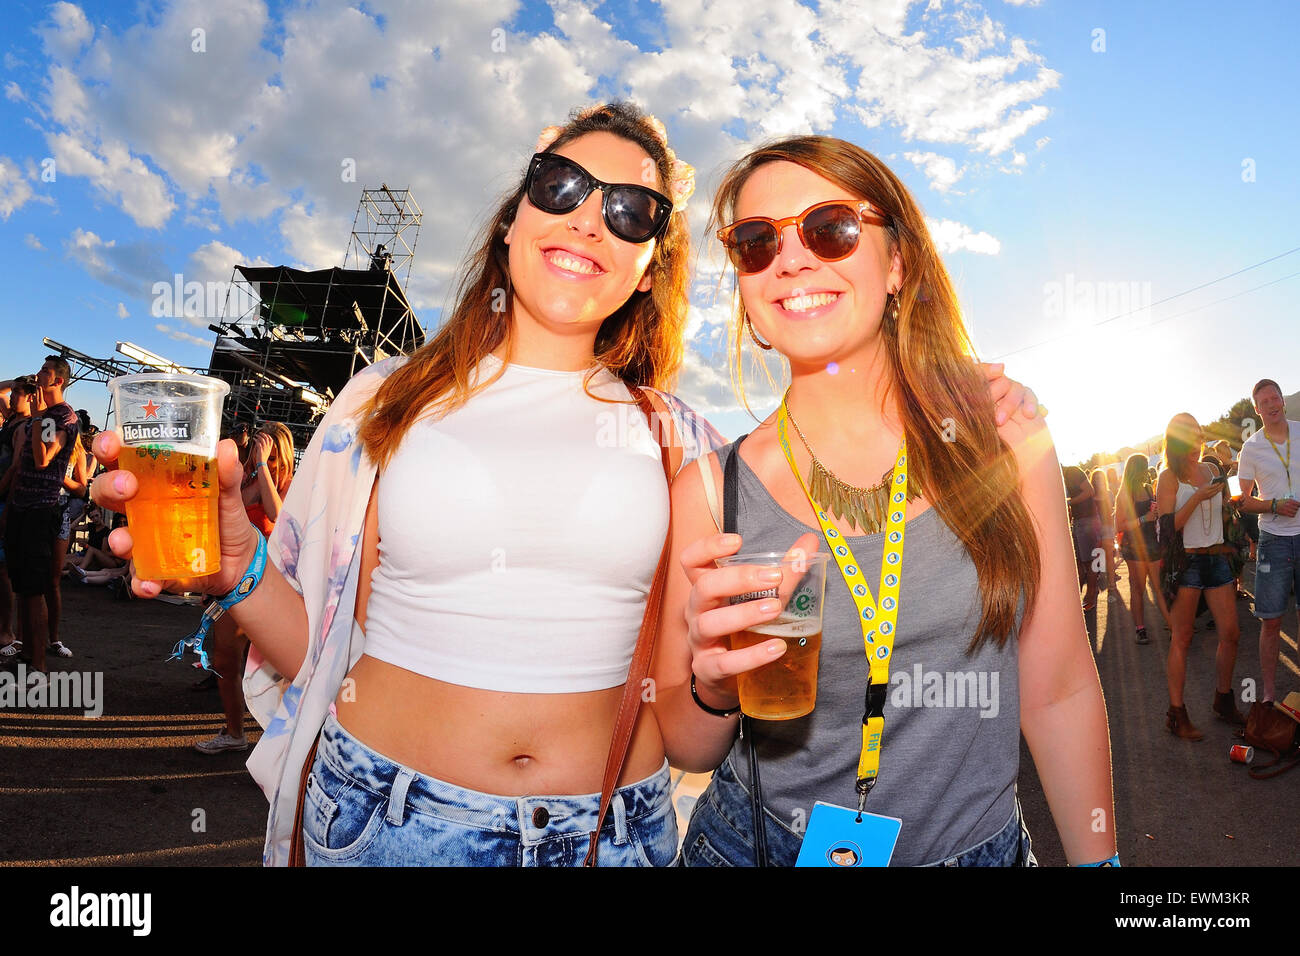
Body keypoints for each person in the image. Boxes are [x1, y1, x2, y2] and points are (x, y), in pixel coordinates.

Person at [92, 104, 1038, 866]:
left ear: (644, 267)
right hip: (383, 820)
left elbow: (691, 719)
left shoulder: (686, 447)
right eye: (563, 186)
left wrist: (970, 397)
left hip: (610, 838)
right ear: (513, 220)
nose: (591, 215)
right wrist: (239, 571)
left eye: (632, 212)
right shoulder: (384, 406)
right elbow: (321, 652)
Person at [655, 135, 1114, 867]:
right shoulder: (710, 491)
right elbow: (686, 744)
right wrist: (712, 685)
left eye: (830, 227)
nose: (793, 259)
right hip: (755, 847)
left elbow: (1056, 688)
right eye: (754, 242)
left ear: (897, 262)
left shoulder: (1002, 439)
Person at [195, 421, 296, 753]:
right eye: (256, 448)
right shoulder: (250, 479)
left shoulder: (291, 485)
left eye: (266, 450)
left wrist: (265, 466)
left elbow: (276, 513)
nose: (257, 454)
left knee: (284, 669)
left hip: (273, 584)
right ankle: (235, 731)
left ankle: (286, 738)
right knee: (225, 658)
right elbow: (227, 509)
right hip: (237, 580)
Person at [1156, 413, 1245, 740]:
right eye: (1187, 439)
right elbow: (1166, 530)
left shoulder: (1210, 469)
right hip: (1188, 563)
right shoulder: (1168, 477)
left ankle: (1223, 700)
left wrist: (1230, 506)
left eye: (1197, 436)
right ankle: (1176, 715)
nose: (1195, 444)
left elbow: (1224, 512)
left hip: (1216, 559)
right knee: (1182, 637)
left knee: (1232, 633)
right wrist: (1195, 498)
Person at [3, 356, 79, 673]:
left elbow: (43, 457)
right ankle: (27, 654)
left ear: (58, 381)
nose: (38, 374)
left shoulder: (63, 416)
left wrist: (36, 419)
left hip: (41, 510)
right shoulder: (45, 416)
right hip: (22, 507)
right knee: (22, 586)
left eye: (45, 371)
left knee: (35, 590)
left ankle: (39, 664)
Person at [1236, 378, 1300, 704]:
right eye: (1264, 402)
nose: (1272, 405)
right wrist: (1273, 505)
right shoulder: (1252, 448)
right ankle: (1269, 695)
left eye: (1275, 398)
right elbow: (1242, 501)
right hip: (1274, 540)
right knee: (1271, 620)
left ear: (1282, 401)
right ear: (1257, 410)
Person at [0, 375, 39, 658]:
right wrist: (17, 380)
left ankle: (7, 631)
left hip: (5, 499)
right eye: (12, 393)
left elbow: (15, 467)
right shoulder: (12, 419)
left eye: (16, 394)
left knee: (4, 571)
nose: (11, 397)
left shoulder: (25, 426)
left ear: (28, 397)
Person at [1113, 453, 1170, 643]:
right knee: (1138, 588)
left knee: (1159, 587)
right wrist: (1144, 519)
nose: (1148, 471)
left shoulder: (1147, 488)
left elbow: (1154, 513)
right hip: (1134, 546)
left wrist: (1156, 513)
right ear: (1136, 470)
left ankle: (1172, 625)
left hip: (1152, 542)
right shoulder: (1124, 493)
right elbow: (1119, 526)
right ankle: (1140, 629)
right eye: (1144, 467)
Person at [1062, 465, 1102, 611]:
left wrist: (1067, 502)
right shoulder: (1065, 476)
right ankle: (1080, 598)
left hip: (1087, 521)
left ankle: (1091, 595)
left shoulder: (1072, 471)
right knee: (1079, 562)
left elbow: (1089, 491)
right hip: (1079, 522)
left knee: (1090, 561)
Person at [1090, 467, 1118, 590]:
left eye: (1100, 477)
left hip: (1107, 527)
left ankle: (1111, 583)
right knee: (1098, 556)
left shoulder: (1109, 493)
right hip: (1095, 529)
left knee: (1109, 556)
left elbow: (1113, 511)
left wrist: (1114, 528)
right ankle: (1101, 581)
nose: (1098, 480)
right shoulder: (1091, 495)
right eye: (1095, 478)